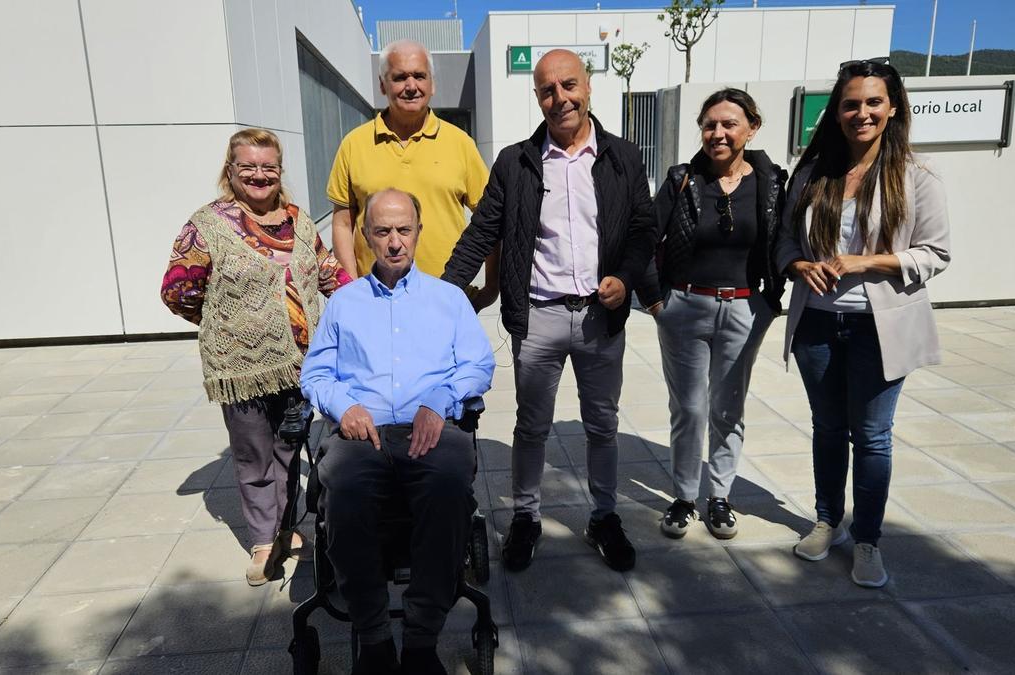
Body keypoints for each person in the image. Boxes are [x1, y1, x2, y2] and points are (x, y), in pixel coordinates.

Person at [443, 49, 656, 573]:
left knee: (602, 424)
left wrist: (625, 279)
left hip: (600, 318)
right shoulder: (516, 161)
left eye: (568, 85)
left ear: (587, 88)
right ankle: (526, 518)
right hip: (537, 317)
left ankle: (604, 516)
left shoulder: (623, 157)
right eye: (547, 90)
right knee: (531, 426)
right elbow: (482, 232)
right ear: (537, 97)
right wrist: (442, 293)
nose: (559, 97)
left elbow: (643, 229)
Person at [301, 189, 495, 675]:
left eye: (403, 230)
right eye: (382, 231)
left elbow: (478, 364)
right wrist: (343, 407)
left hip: (429, 428)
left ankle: (422, 638)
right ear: (364, 236)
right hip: (360, 434)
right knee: (341, 489)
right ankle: (374, 638)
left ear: (418, 232)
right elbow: (316, 375)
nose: (393, 243)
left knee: (449, 486)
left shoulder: (449, 299)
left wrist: (440, 402)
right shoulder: (343, 304)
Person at [775, 59, 950, 587]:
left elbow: (936, 253)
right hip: (817, 327)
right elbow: (784, 238)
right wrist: (797, 264)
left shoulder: (916, 177)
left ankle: (868, 539)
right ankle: (829, 521)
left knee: (872, 437)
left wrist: (865, 262)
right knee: (828, 429)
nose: (862, 113)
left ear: (893, 106)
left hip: (880, 329)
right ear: (837, 110)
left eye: (874, 102)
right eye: (851, 103)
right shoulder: (811, 174)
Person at [161, 128, 351, 585]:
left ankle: (287, 530)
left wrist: (362, 299)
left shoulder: (297, 221)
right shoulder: (207, 224)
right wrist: (227, 327)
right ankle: (264, 542)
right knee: (253, 455)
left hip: (301, 363)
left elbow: (325, 271)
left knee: (290, 449)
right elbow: (177, 289)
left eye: (269, 167)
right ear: (231, 170)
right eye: (249, 167)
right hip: (241, 369)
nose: (259, 175)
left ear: (280, 171)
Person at [637, 88, 787, 541]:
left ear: (752, 128)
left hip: (744, 308)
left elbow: (783, 240)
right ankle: (685, 497)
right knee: (689, 409)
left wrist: (769, 299)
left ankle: (719, 496)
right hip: (685, 307)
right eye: (709, 125)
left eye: (729, 124)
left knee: (728, 409)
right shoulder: (682, 179)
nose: (718, 133)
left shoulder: (771, 182)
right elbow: (646, 237)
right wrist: (656, 302)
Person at [327, 38, 499, 309]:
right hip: (376, 300)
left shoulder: (460, 143)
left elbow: (489, 220)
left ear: (432, 84)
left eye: (419, 76)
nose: (411, 86)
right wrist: (351, 287)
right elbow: (342, 223)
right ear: (383, 84)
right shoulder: (354, 144)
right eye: (399, 77)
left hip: (446, 298)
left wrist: (492, 287)